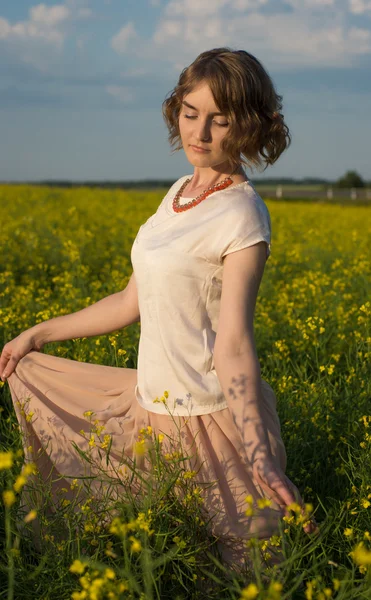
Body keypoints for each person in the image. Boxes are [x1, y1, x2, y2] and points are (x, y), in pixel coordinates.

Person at [1, 47, 317, 568]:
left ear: (249, 127)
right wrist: (39, 333)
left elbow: (235, 341)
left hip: (212, 419)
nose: (201, 132)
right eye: (191, 113)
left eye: (221, 120)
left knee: (248, 568)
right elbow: (131, 300)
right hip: (153, 406)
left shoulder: (242, 215)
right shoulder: (177, 193)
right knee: (168, 555)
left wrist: (258, 449)